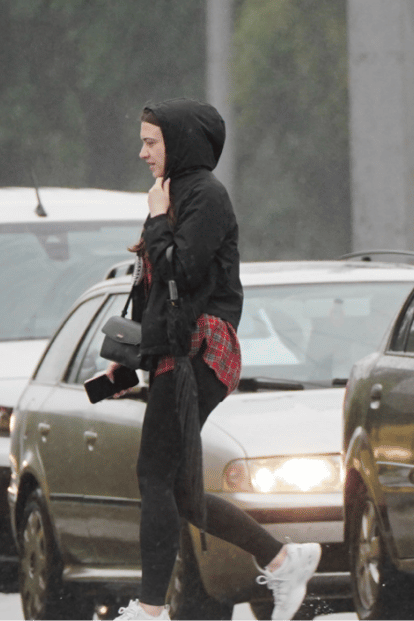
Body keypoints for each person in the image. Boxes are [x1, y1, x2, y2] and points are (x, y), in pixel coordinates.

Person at [101, 99, 321, 621]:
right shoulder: (173, 193)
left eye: (151, 142)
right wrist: (131, 360)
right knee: (181, 491)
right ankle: (284, 558)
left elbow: (183, 270)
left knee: (154, 474)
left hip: (200, 353)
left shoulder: (206, 197)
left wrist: (157, 220)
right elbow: (156, 291)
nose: (142, 152)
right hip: (173, 354)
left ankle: (150, 609)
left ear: (178, 144)